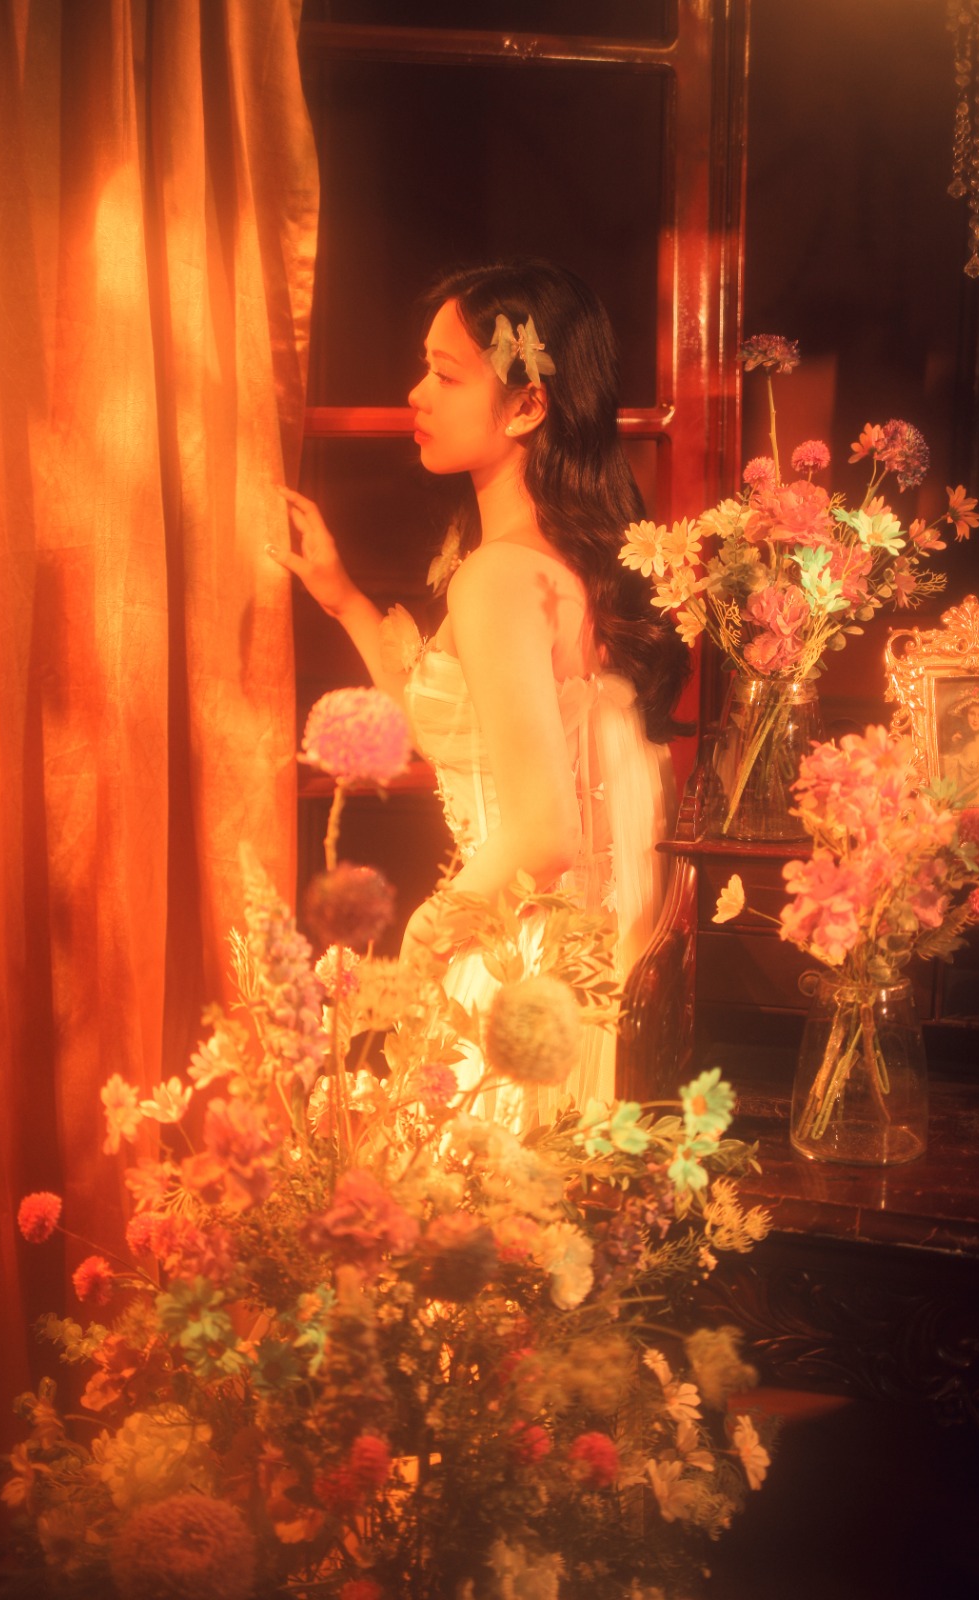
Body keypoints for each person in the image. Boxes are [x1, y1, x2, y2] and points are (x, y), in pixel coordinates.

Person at [268, 259, 690, 1118]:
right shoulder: (574, 565)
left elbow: (542, 833)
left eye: (446, 374)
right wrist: (343, 599)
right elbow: (474, 732)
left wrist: (428, 933)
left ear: (528, 406)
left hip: (515, 964)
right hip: (585, 967)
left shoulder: (497, 580)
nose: (415, 394)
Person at [943, 692, 979, 806]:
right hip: (965, 800)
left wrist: (957, 799)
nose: (975, 719)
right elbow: (952, 777)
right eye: (972, 714)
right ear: (966, 715)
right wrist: (955, 747)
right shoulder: (961, 740)